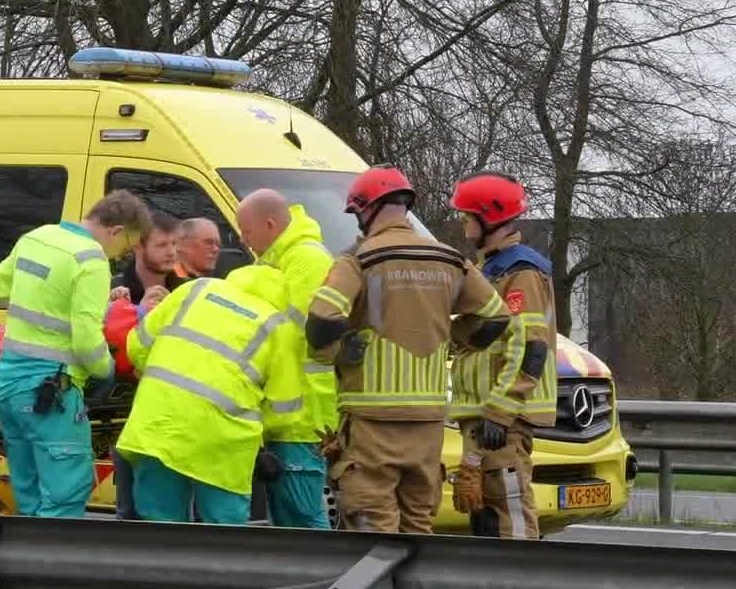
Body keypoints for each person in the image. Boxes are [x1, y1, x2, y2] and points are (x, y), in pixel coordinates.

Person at [305, 166, 511, 535]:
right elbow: (496, 318)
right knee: (419, 527)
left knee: (373, 529)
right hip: (428, 421)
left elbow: (322, 320)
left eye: (358, 214)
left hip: (371, 419)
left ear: (368, 209)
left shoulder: (359, 260)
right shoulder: (451, 260)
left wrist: (341, 350)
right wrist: (451, 335)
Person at [0, 190, 152, 518]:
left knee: (27, 492)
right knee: (65, 493)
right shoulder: (91, 259)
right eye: (126, 248)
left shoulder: (36, 237)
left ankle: (24, 563)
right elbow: (87, 341)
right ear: (116, 231)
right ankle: (49, 565)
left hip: (8, 385)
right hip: (51, 391)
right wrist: (106, 371)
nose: (120, 257)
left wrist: (38, 301)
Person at [114, 265, 303, 524]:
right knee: (223, 532)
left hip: (160, 423)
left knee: (159, 526)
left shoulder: (196, 288)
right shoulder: (278, 325)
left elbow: (137, 344)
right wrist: (260, 433)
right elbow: (284, 411)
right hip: (224, 442)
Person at [448, 173, 556, 540]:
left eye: (467, 216)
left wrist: (501, 410)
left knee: (509, 509)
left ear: (488, 217)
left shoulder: (521, 271)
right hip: (486, 413)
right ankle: (490, 587)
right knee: (486, 512)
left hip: (502, 416)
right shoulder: (490, 269)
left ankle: (520, 586)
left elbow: (530, 345)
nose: (462, 223)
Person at [236, 189, 337, 528]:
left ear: (269, 224)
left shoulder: (306, 258)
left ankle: (327, 578)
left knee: (302, 513)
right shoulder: (277, 259)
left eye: (246, 232)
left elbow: (301, 331)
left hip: (304, 411)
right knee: (290, 515)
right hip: (286, 406)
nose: (243, 240)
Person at [110, 212, 187, 306]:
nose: (171, 252)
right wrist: (139, 311)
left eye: (174, 244)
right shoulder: (113, 290)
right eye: (162, 245)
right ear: (137, 246)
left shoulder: (186, 290)